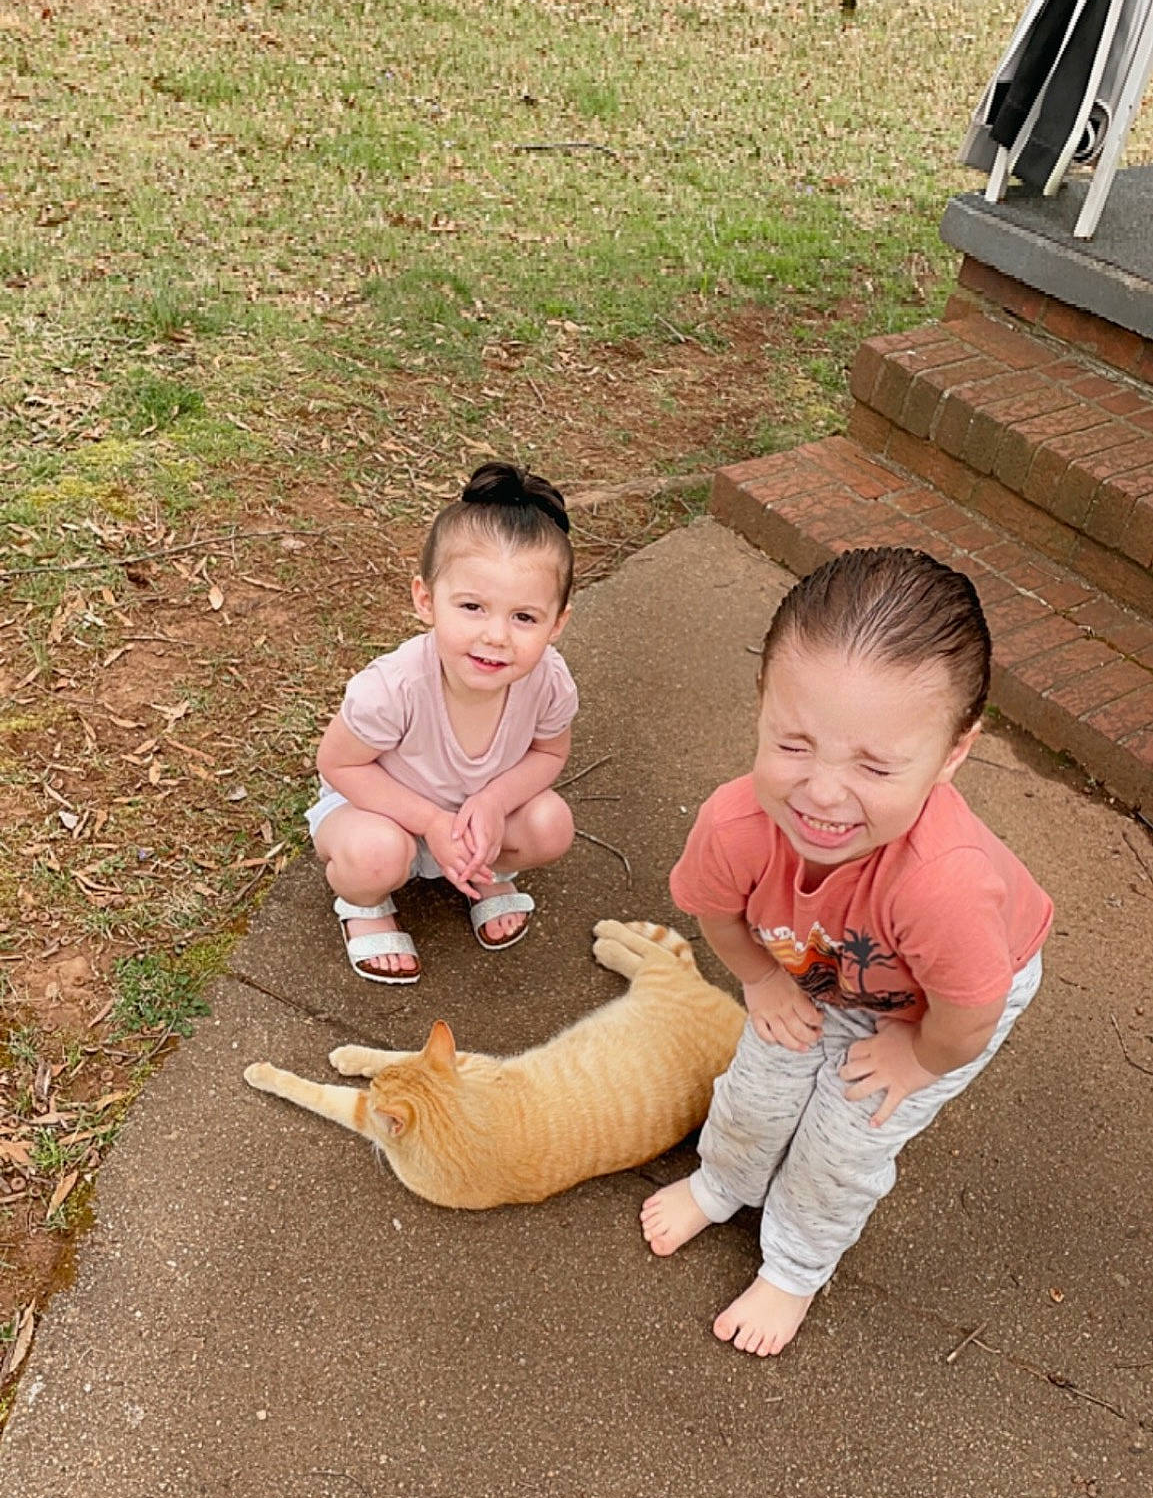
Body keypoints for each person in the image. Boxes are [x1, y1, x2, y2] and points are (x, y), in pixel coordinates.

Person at [641, 546, 1053, 1358]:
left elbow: (970, 1012)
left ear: (953, 753)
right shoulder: (735, 825)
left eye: (874, 764)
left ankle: (794, 1265)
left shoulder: (943, 885)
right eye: (792, 744)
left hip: (944, 1005)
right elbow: (718, 913)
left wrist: (917, 1057)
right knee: (758, 1085)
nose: (822, 792)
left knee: (845, 1134)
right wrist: (758, 979)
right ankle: (725, 1182)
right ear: (761, 704)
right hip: (818, 966)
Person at [308, 463, 577, 983]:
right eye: (472, 606)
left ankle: (488, 871)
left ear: (557, 622)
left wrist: (495, 803)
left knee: (551, 823)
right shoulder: (395, 686)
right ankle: (365, 906)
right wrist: (431, 822)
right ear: (426, 600)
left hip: (476, 815)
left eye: (524, 617)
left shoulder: (548, 680)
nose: (496, 636)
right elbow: (338, 763)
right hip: (382, 812)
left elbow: (550, 752)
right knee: (376, 855)